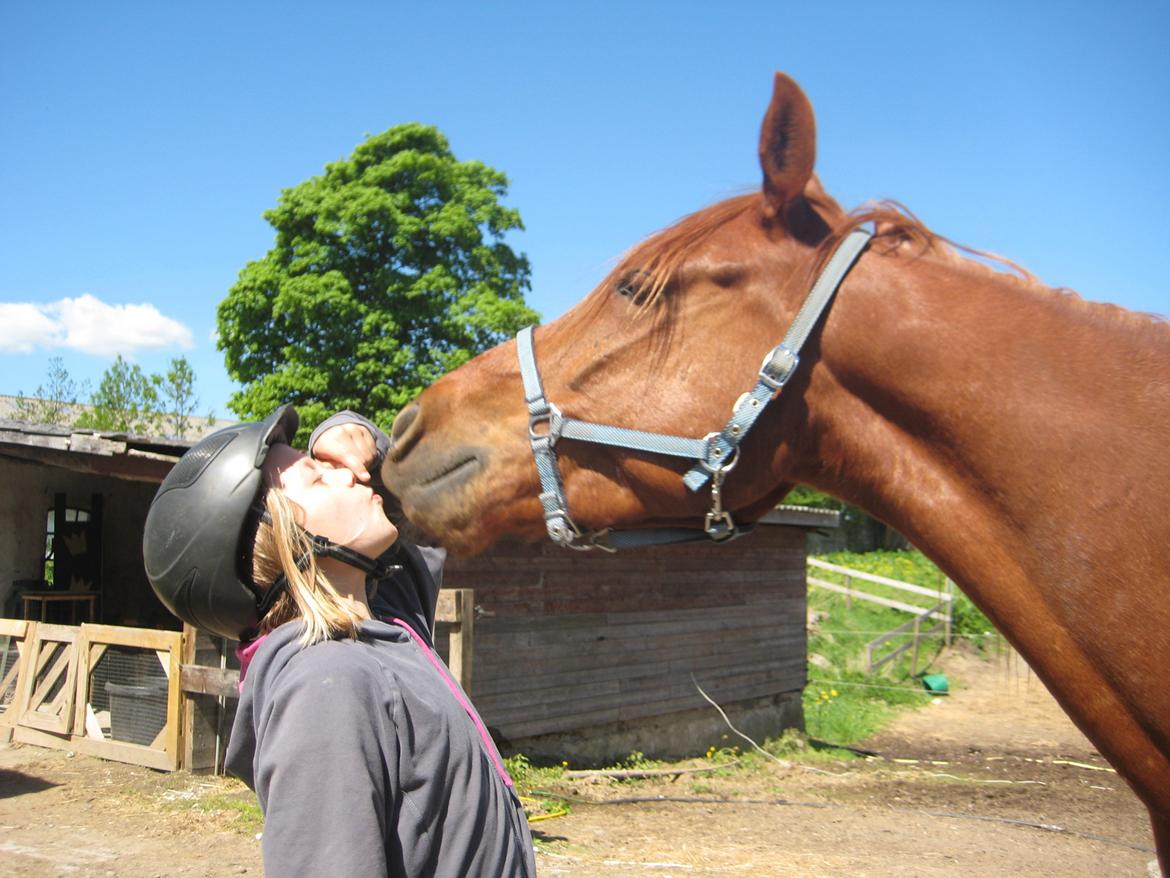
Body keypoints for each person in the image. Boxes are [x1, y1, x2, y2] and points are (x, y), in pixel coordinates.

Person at [142, 405, 536, 877]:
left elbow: (419, 491)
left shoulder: (385, 625)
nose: (347, 478)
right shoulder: (325, 685)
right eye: (316, 477)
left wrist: (351, 436)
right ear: (278, 543)